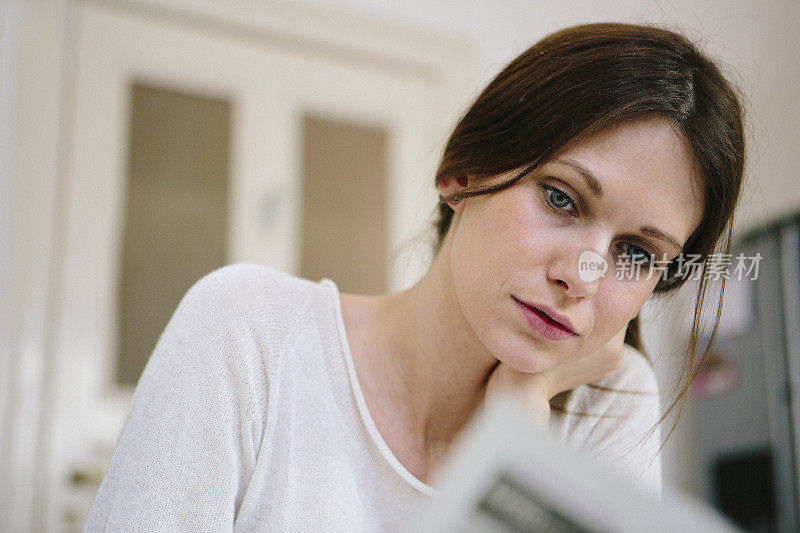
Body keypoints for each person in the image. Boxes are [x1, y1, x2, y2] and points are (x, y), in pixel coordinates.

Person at [85, 22, 745, 532]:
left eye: (636, 252)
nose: (582, 275)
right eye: (561, 199)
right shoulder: (247, 329)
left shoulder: (609, 397)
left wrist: (521, 416)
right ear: (462, 175)